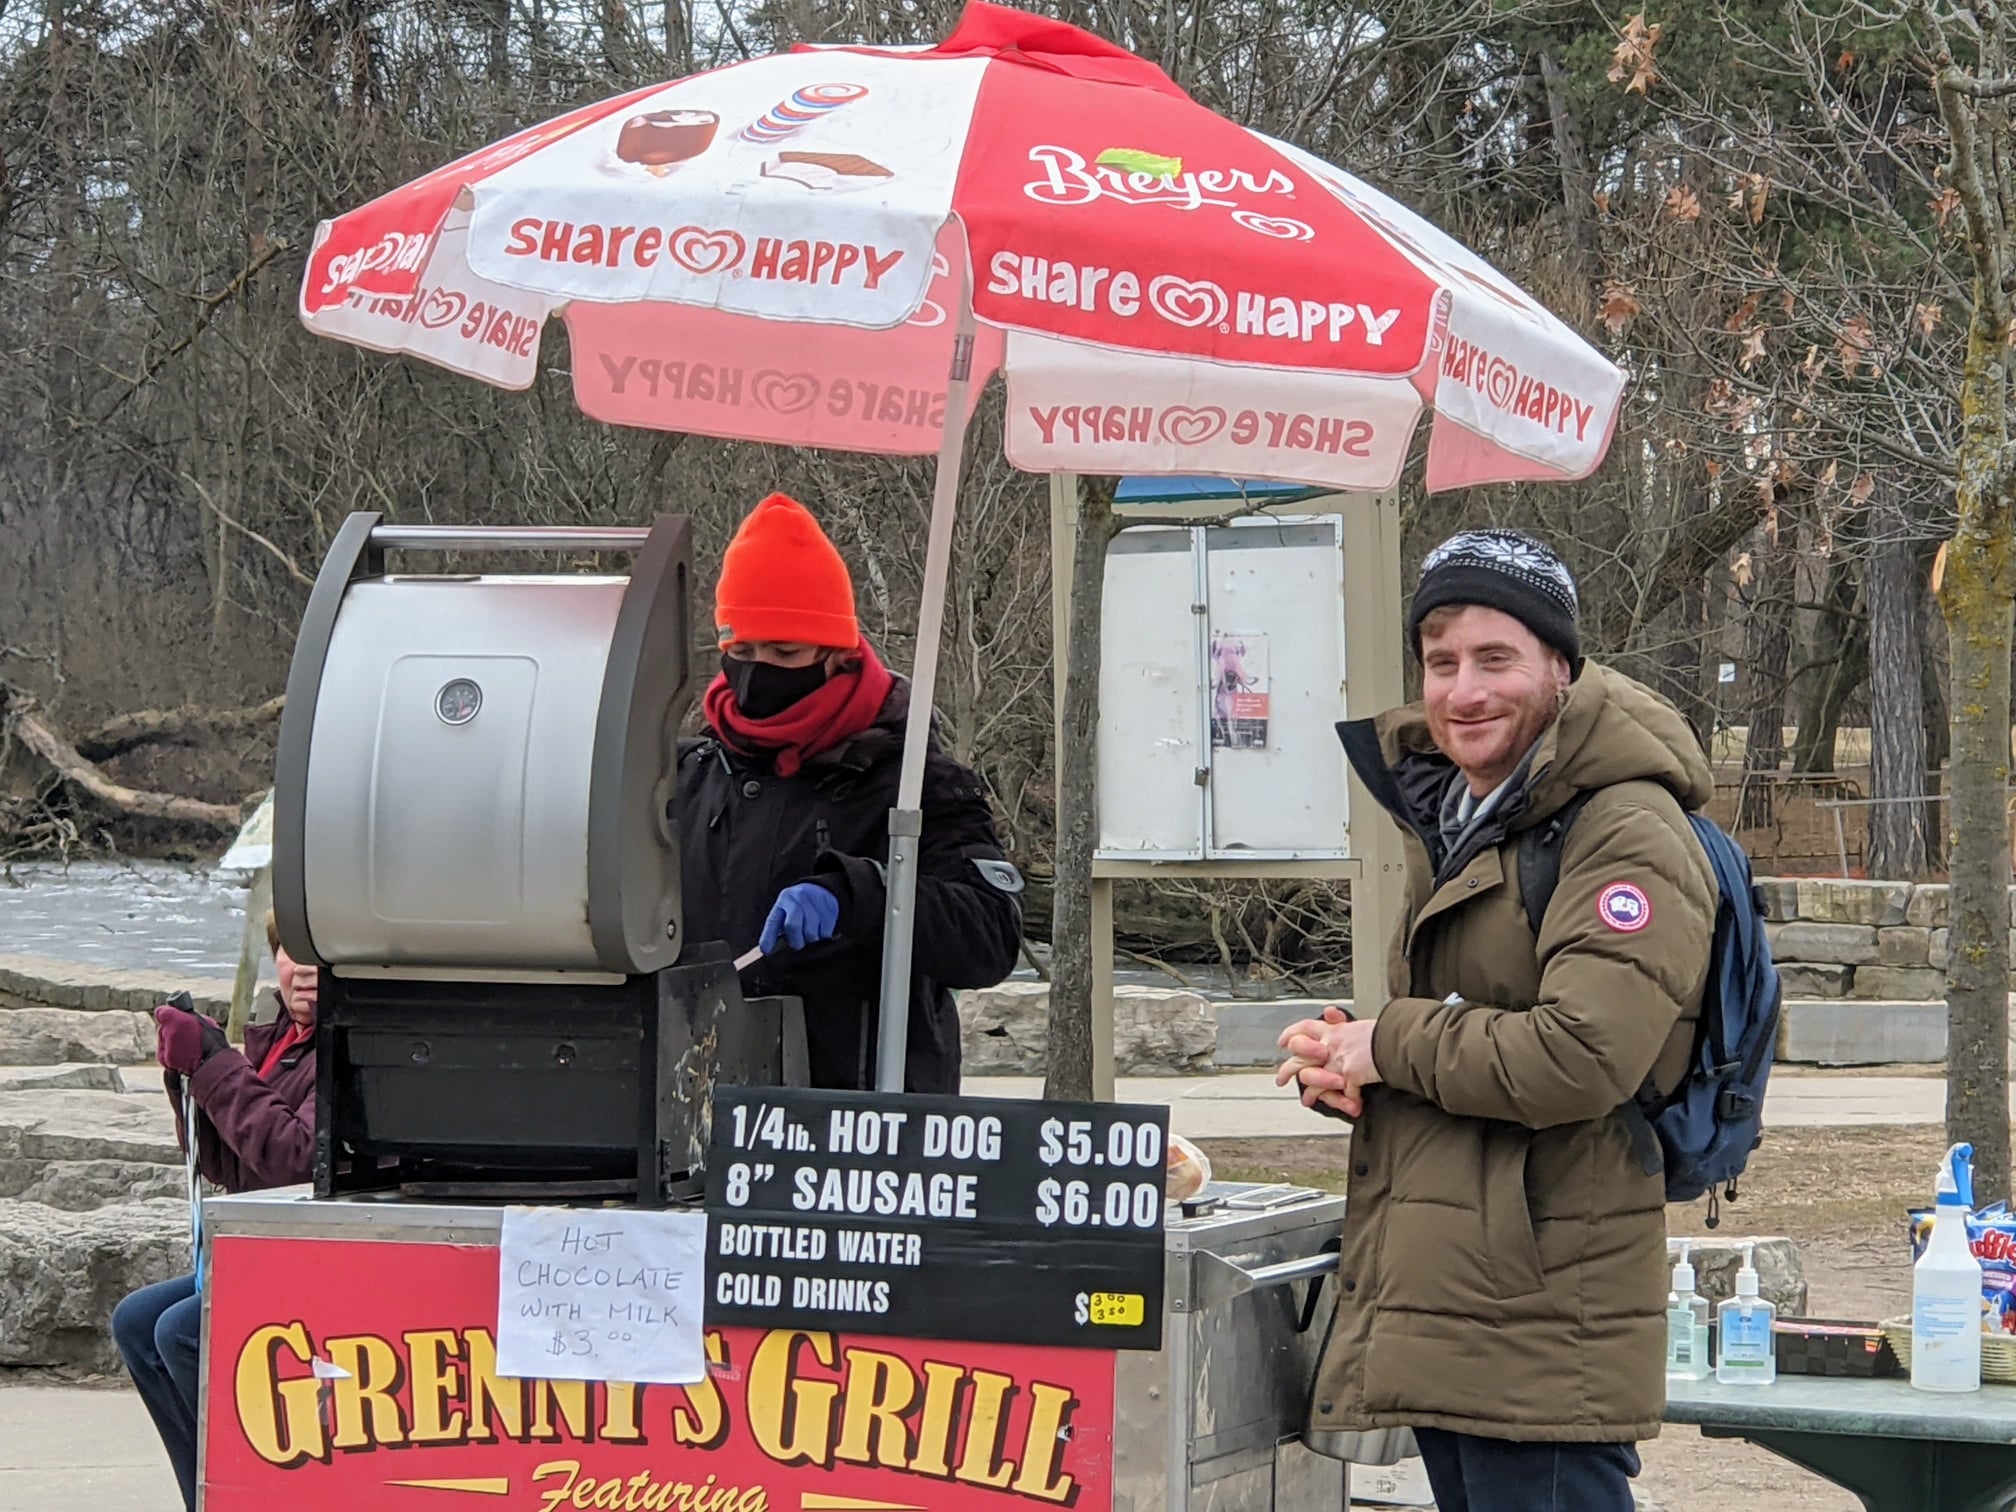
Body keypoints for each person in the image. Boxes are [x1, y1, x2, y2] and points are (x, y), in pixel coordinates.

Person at [1276, 529, 1718, 1512]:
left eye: (1495, 659)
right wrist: (1361, 1070)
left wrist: (1389, 1042)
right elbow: (1473, 1028)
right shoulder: (1480, 817)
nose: (1464, 691)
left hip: (1540, 1316)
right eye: (1441, 662)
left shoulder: (1622, 825)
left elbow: (1581, 1055)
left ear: (1561, 667)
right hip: (1463, 1304)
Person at [675, 492, 1022, 1093]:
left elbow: (990, 933)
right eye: (742, 650)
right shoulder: (688, 774)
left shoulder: (915, 780)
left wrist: (861, 895)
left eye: (785, 651)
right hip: (703, 1105)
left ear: (836, 654)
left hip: (862, 1114)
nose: (758, 670)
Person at [112, 912, 318, 1512]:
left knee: (180, 1332)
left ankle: (250, 1493)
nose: (304, 970)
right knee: (136, 1321)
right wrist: (187, 1077)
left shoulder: (346, 1045)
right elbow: (226, 1165)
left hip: (318, 1254)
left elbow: (294, 1159)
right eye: (290, 952)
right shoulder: (280, 1042)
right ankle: (204, 1495)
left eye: (319, 955)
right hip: (267, 1247)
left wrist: (214, 1065)